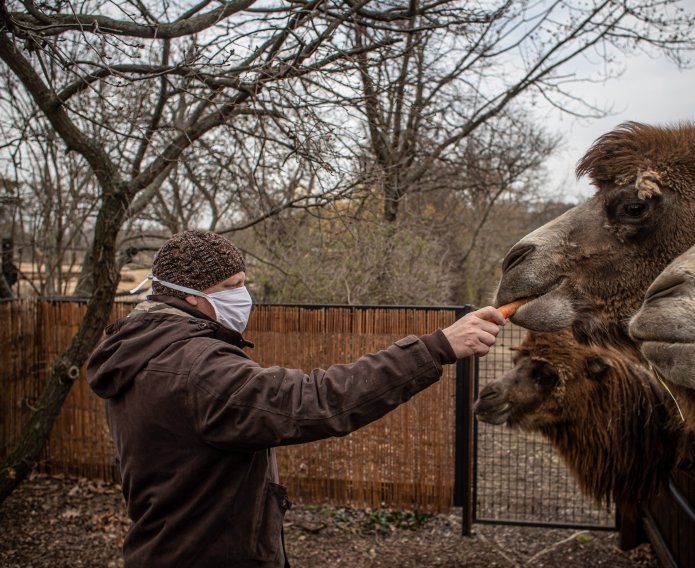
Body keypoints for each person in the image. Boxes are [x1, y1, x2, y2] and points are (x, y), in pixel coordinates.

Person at [87, 230, 505, 568]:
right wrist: (435, 348)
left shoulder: (143, 351)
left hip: (167, 548)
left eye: (243, 283)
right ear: (189, 297)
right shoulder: (194, 370)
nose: (243, 295)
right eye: (230, 287)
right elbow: (314, 400)